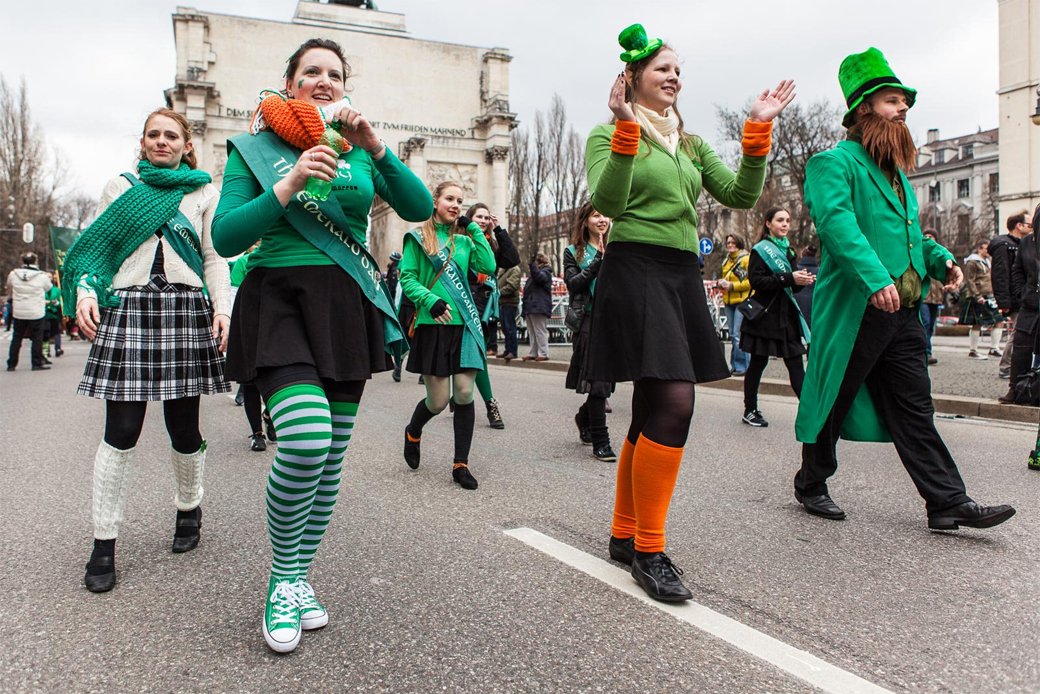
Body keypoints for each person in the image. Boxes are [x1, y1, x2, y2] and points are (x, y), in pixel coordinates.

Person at [212, 38, 432, 653]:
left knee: (331, 457)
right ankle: (283, 581)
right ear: (289, 82)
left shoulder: (356, 149)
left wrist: (376, 149)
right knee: (305, 441)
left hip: (344, 301)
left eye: (335, 73)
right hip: (278, 296)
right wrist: (288, 184)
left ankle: (298, 579)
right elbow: (227, 236)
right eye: (311, 71)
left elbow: (416, 207)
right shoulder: (255, 150)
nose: (324, 80)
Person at [586, 22, 792, 601]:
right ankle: (649, 550)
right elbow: (608, 202)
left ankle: (625, 535)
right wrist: (628, 128)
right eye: (662, 69)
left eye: (678, 69)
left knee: (652, 405)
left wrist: (758, 129)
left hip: (680, 275)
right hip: (634, 270)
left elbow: (742, 196)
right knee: (677, 402)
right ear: (633, 80)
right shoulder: (607, 134)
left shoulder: (692, 143)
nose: (674, 77)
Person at [793, 47, 1014, 531]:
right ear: (864, 107)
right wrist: (874, 280)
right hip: (859, 308)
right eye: (893, 101)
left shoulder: (897, 175)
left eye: (904, 103)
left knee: (915, 407)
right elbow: (838, 225)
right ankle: (811, 481)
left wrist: (941, 261)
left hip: (905, 313)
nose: (903, 110)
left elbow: (908, 238)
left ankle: (946, 500)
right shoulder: (833, 163)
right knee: (836, 398)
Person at [63, 107, 231, 594]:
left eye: (171, 135)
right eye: (153, 135)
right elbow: (98, 250)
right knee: (121, 431)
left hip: (184, 308)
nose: (162, 141)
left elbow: (214, 256)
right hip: (130, 309)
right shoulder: (122, 187)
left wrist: (222, 308)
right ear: (143, 142)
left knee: (185, 428)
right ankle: (103, 542)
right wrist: (86, 293)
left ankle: (188, 506)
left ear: (186, 144)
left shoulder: (203, 191)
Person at [400, 181, 495, 490]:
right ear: (435, 202)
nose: (455, 204)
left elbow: (489, 266)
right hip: (433, 326)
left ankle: (460, 465)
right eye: (450, 199)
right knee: (438, 401)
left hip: (465, 326)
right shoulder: (418, 239)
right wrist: (431, 300)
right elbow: (408, 279)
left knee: (465, 393)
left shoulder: (464, 243)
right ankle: (413, 431)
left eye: (460, 201)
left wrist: (475, 228)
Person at [740, 207, 813, 427]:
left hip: (786, 318)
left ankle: (810, 413)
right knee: (757, 364)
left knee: (796, 365)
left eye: (788, 221)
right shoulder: (760, 250)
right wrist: (789, 277)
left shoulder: (789, 251)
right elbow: (757, 282)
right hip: (765, 318)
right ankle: (750, 410)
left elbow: (790, 287)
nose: (785, 224)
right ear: (768, 223)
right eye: (780, 220)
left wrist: (800, 281)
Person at [564, 202, 616, 462]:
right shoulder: (573, 252)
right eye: (596, 215)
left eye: (605, 214)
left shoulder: (619, 248)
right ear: (585, 222)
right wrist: (598, 261)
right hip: (586, 320)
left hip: (613, 321)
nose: (602, 219)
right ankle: (601, 440)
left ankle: (584, 417)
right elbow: (573, 284)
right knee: (597, 382)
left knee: (604, 382)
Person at [465, 203, 521, 429]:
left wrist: (499, 231)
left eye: (487, 217)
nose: (483, 220)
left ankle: (490, 404)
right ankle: (459, 394)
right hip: (461, 304)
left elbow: (513, 260)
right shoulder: (460, 241)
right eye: (479, 216)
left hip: (483, 308)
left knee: (478, 358)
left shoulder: (492, 244)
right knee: (460, 355)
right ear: (469, 218)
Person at [229, 243, 273, 451]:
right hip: (248, 324)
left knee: (276, 379)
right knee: (250, 383)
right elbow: (233, 295)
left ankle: (269, 415)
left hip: (275, 327)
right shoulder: (243, 263)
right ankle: (257, 433)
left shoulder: (281, 257)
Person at [1005, 204, 1040, 404]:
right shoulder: (1027, 243)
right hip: (1030, 303)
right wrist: (1023, 294)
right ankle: (1015, 390)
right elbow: (1017, 271)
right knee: (1021, 347)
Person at [990, 211, 1032, 379]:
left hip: (1021, 295)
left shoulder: (1022, 244)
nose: (1032, 227)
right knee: (1019, 332)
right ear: (1019, 225)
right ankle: (1006, 366)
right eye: (1030, 224)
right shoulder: (1004, 245)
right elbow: (1000, 274)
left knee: (1020, 332)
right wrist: (1004, 301)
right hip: (1015, 297)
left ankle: (1009, 366)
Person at [6, 252, 52, 371]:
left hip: (19, 311)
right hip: (36, 311)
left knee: (17, 337)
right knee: (37, 338)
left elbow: (9, 285)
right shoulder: (41, 276)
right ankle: (36, 363)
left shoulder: (13, 274)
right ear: (35, 261)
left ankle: (12, 363)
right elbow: (49, 287)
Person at [960, 239, 1005, 360]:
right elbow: (970, 280)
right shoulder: (972, 262)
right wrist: (977, 295)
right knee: (977, 323)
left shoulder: (988, 262)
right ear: (979, 248)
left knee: (999, 321)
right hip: (978, 297)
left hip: (989, 296)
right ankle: (973, 350)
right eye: (986, 248)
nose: (988, 251)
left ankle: (994, 348)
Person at [718, 234, 751, 376]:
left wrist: (732, 286)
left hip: (741, 301)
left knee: (738, 334)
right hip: (729, 301)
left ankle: (743, 366)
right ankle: (735, 365)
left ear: (739, 244)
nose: (730, 245)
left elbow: (751, 282)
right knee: (732, 334)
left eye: (733, 243)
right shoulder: (726, 262)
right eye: (728, 243)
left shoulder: (745, 259)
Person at [920, 229, 945, 365]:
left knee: (930, 327)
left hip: (936, 297)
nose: (929, 238)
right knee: (925, 323)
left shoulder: (939, 255)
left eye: (932, 236)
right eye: (926, 236)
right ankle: (925, 352)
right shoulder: (920, 253)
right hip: (923, 296)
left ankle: (926, 351)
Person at [521, 252, 553, 361]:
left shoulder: (546, 272)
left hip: (538, 306)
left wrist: (532, 265)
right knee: (532, 331)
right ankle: (534, 352)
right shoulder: (538, 274)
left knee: (539, 330)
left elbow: (539, 277)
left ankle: (543, 353)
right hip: (533, 306)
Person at [496, 261, 522, 360]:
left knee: (510, 327)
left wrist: (498, 292)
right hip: (503, 302)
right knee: (506, 327)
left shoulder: (514, 269)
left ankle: (512, 351)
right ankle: (508, 350)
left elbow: (512, 286)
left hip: (510, 302)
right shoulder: (506, 269)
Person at [794, 244, 819, 328]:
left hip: (796, 312)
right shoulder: (821, 272)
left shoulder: (795, 271)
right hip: (815, 312)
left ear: (803, 254)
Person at [43, 272, 64, 358]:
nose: (49, 278)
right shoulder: (40, 289)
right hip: (44, 313)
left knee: (57, 332)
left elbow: (60, 303)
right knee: (45, 333)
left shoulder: (56, 290)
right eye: (47, 277)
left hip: (54, 313)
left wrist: (56, 303)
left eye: (50, 277)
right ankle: (46, 350)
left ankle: (58, 348)